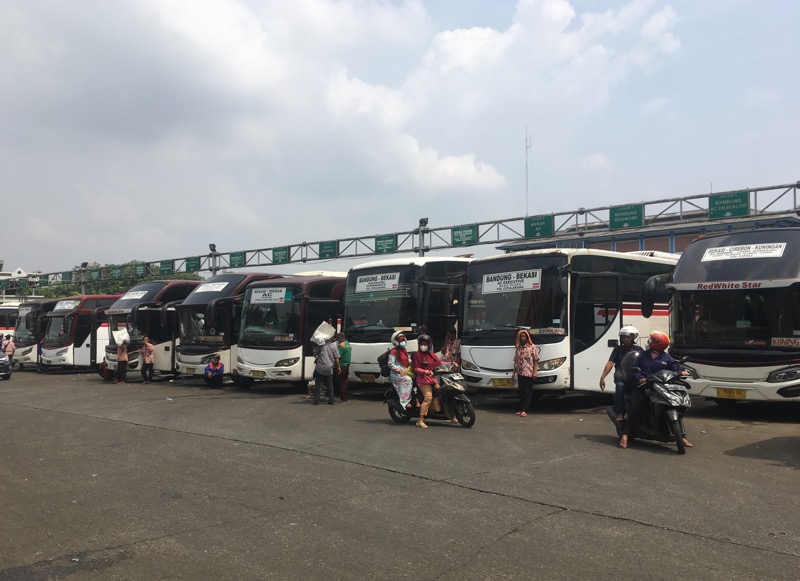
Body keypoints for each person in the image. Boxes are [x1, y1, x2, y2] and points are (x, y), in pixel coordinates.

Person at [620, 331, 693, 449]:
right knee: (637, 405)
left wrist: (683, 371)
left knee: (678, 404)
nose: (649, 341)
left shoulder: (666, 357)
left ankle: (681, 435)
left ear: (658, 344)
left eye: (652, 340)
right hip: (643, 387)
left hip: (661, 387)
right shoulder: (643, 355)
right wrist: (641, 378)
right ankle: (625, 434)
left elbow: (675, 367)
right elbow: (635, 369)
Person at [599, 326, 644, 422]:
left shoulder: (639, 350)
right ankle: (619, 412)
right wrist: (602, 377)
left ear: (633, 338)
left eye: (628, 337)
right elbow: (610, 363)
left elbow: (645, 363)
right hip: (621, 377)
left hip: (635, 378)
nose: (626, 339)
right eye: (624, 337)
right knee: (620, 387)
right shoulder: (617, 349)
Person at [412, 334, 443, 429]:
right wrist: (424, 371)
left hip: (432, 379)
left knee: (443, 391)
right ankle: (420, 420)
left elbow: (439, 363)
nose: (423, 345)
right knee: (428, 397)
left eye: (425, 344)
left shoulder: (431, 354)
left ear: (429, 345)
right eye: (421, 343)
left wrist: (452, 363)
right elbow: (416, 368)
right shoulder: (417, 355)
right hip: (423, 380)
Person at [511, 329, 539, 417]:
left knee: (527, 392)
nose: (523, 338)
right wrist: (513, 373)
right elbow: (516, 361)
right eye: (521, 336)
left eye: (524, 336)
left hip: (528, 373)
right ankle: (521, 409)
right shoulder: (518, 347)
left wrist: (535, 372)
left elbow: (536, 360)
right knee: (521, 392)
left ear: (527, 337)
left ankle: (525, 410)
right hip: (520, 373)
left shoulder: (532, 347)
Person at [388, 330, 413, 411]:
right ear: (396, 342)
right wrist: (399, 371)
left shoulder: (404, 350)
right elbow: (391, 364)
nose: (403, 341)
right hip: (397, 373)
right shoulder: (393, 351)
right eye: (401, 340)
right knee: (408, 380)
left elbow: (409, 360)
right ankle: (405, 402)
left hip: (406, 371)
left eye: (404, 339)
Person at [312, 336, 339, 405]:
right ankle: (331, 400)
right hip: (329, 368)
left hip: (320, 368)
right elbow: (337, 357)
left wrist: (314, 346)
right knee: (330, 384)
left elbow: (315, 354)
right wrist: (338, 367)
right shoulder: (333, 345)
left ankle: (316, 400)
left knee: (318, 385)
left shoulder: (321, 345)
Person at [335, 332, 351, 403]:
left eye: (338, 338)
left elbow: (338, 356)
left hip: (342, 365)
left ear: (341, 338)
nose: (338, 340)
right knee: (345, 381)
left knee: (342, 382)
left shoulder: (341, 346)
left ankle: (344, 397)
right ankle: (345, 396)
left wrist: (337, 366)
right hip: (347, 364)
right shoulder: (348, 344)